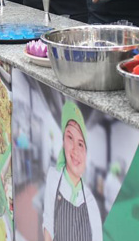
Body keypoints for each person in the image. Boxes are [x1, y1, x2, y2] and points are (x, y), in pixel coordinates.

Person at [42, 101, 102, 241]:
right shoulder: (53, 178)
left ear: (86, 153)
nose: (75, 150)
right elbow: (48, 222)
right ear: (63, 142)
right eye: (70, 137)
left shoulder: (91, 203)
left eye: (80, 144)